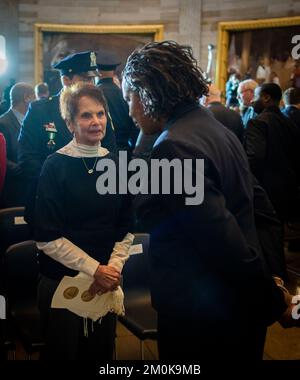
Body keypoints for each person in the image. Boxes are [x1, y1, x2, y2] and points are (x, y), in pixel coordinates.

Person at [122, 41, 299, 360]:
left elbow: (222, 240)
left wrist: (274, 301)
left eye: (130, 98)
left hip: (203, 319)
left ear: (147, 92)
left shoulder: (173, 147)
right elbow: (259, 211)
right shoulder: (216, 130)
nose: (130, 110)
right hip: (234, 310)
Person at [34, 82, 134, 360]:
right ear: (70, 123)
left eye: (100, 114)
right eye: (86, 115)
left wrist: (112, 269)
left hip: (105, 285)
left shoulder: (117, 164)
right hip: (63, 282)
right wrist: (95, 269)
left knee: (100, 356)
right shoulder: (55, 166)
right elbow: (47, 237)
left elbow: (126, 228)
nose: (95, 121)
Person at [18, 51, 117, 226]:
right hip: (50, 202)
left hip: (91, 203)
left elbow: (111, 153)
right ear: (66, 80)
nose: (91, 84)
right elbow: (27, 159)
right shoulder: (40, 110)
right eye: (86, 79)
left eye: (93, 79)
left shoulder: (100, 110)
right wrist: (61, 185)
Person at [245, 83, 300, 223]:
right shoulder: (288, 122)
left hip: (265, 191)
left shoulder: (257, 123)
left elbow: (254, 158)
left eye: (255, 96)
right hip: (288, 190)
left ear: (266, 98)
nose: (251, 101)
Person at [96, 49, 139, 156]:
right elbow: (134, 125)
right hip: (125, 151)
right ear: (114, 71)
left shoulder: (94, 95)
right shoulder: (124, 94)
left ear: (97, 71)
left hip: (101, 152)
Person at [0, 82, 35, 207]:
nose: (35, 103)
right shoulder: (3, 123)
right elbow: (2, 159)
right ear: (26, 97)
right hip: (12, 190)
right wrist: (24, 170)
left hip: (28, 190)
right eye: (34, 98)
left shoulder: (30, 122)